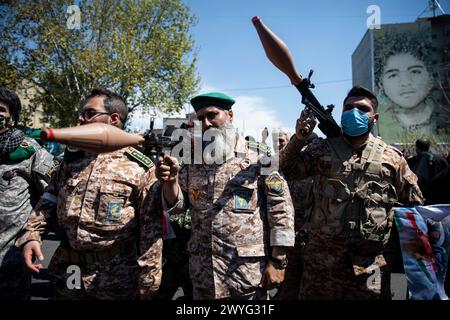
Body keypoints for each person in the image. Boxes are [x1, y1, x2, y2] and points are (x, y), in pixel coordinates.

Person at [16, 88, 163, 300]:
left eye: (89, 113)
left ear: (114, 119)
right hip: (69, 269)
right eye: (81, 113)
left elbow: (151, 228)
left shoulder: (140, 168)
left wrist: (150, 276)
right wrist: (32, 235)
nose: (80, 118)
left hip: (116, 276)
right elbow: (49, 199)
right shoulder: (70, 162)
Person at [280, 86, 424, 299]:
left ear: (374, 118)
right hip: (321, 268)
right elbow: (285, 170)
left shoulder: (393, 158)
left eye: (362, 108)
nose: (353, 112)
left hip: (369, 270)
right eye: (348, 107)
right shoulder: (321, 149)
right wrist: (299, 138)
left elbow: (415, 207)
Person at [156, 92, 295, 300]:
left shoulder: (260, 159)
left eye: (212, 115)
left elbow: (281, 211)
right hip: (204, 276)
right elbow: (177, 206)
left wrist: (278, 262)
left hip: (246, 276)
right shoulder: (193, 162)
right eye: (200, 118)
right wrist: (171, 181)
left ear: (230, 115)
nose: (206, 123)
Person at [0, 86, 55, 300]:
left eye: (1, 110)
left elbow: (54, 195)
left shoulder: (30, 152)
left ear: (12, 118)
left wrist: (34, 237)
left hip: (9, 263)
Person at [374, 29, 450, 143]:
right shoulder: (382, 128)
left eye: (415, 72)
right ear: (381, 82)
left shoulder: (443, 120)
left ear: (430, 75)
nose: (405, 82)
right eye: (393, 75)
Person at [275, 132, 316, 300]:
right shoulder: (288, 168)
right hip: (289, 238)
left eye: (309, 144)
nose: (305, 148)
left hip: (311, 238)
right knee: (288, 286)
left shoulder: (318, 169)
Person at [407, 138, 449, 205]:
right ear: (429, 147)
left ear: (416, 148)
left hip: (419, 198)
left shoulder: (411, 161)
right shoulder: (441, 160)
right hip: (438, 199)